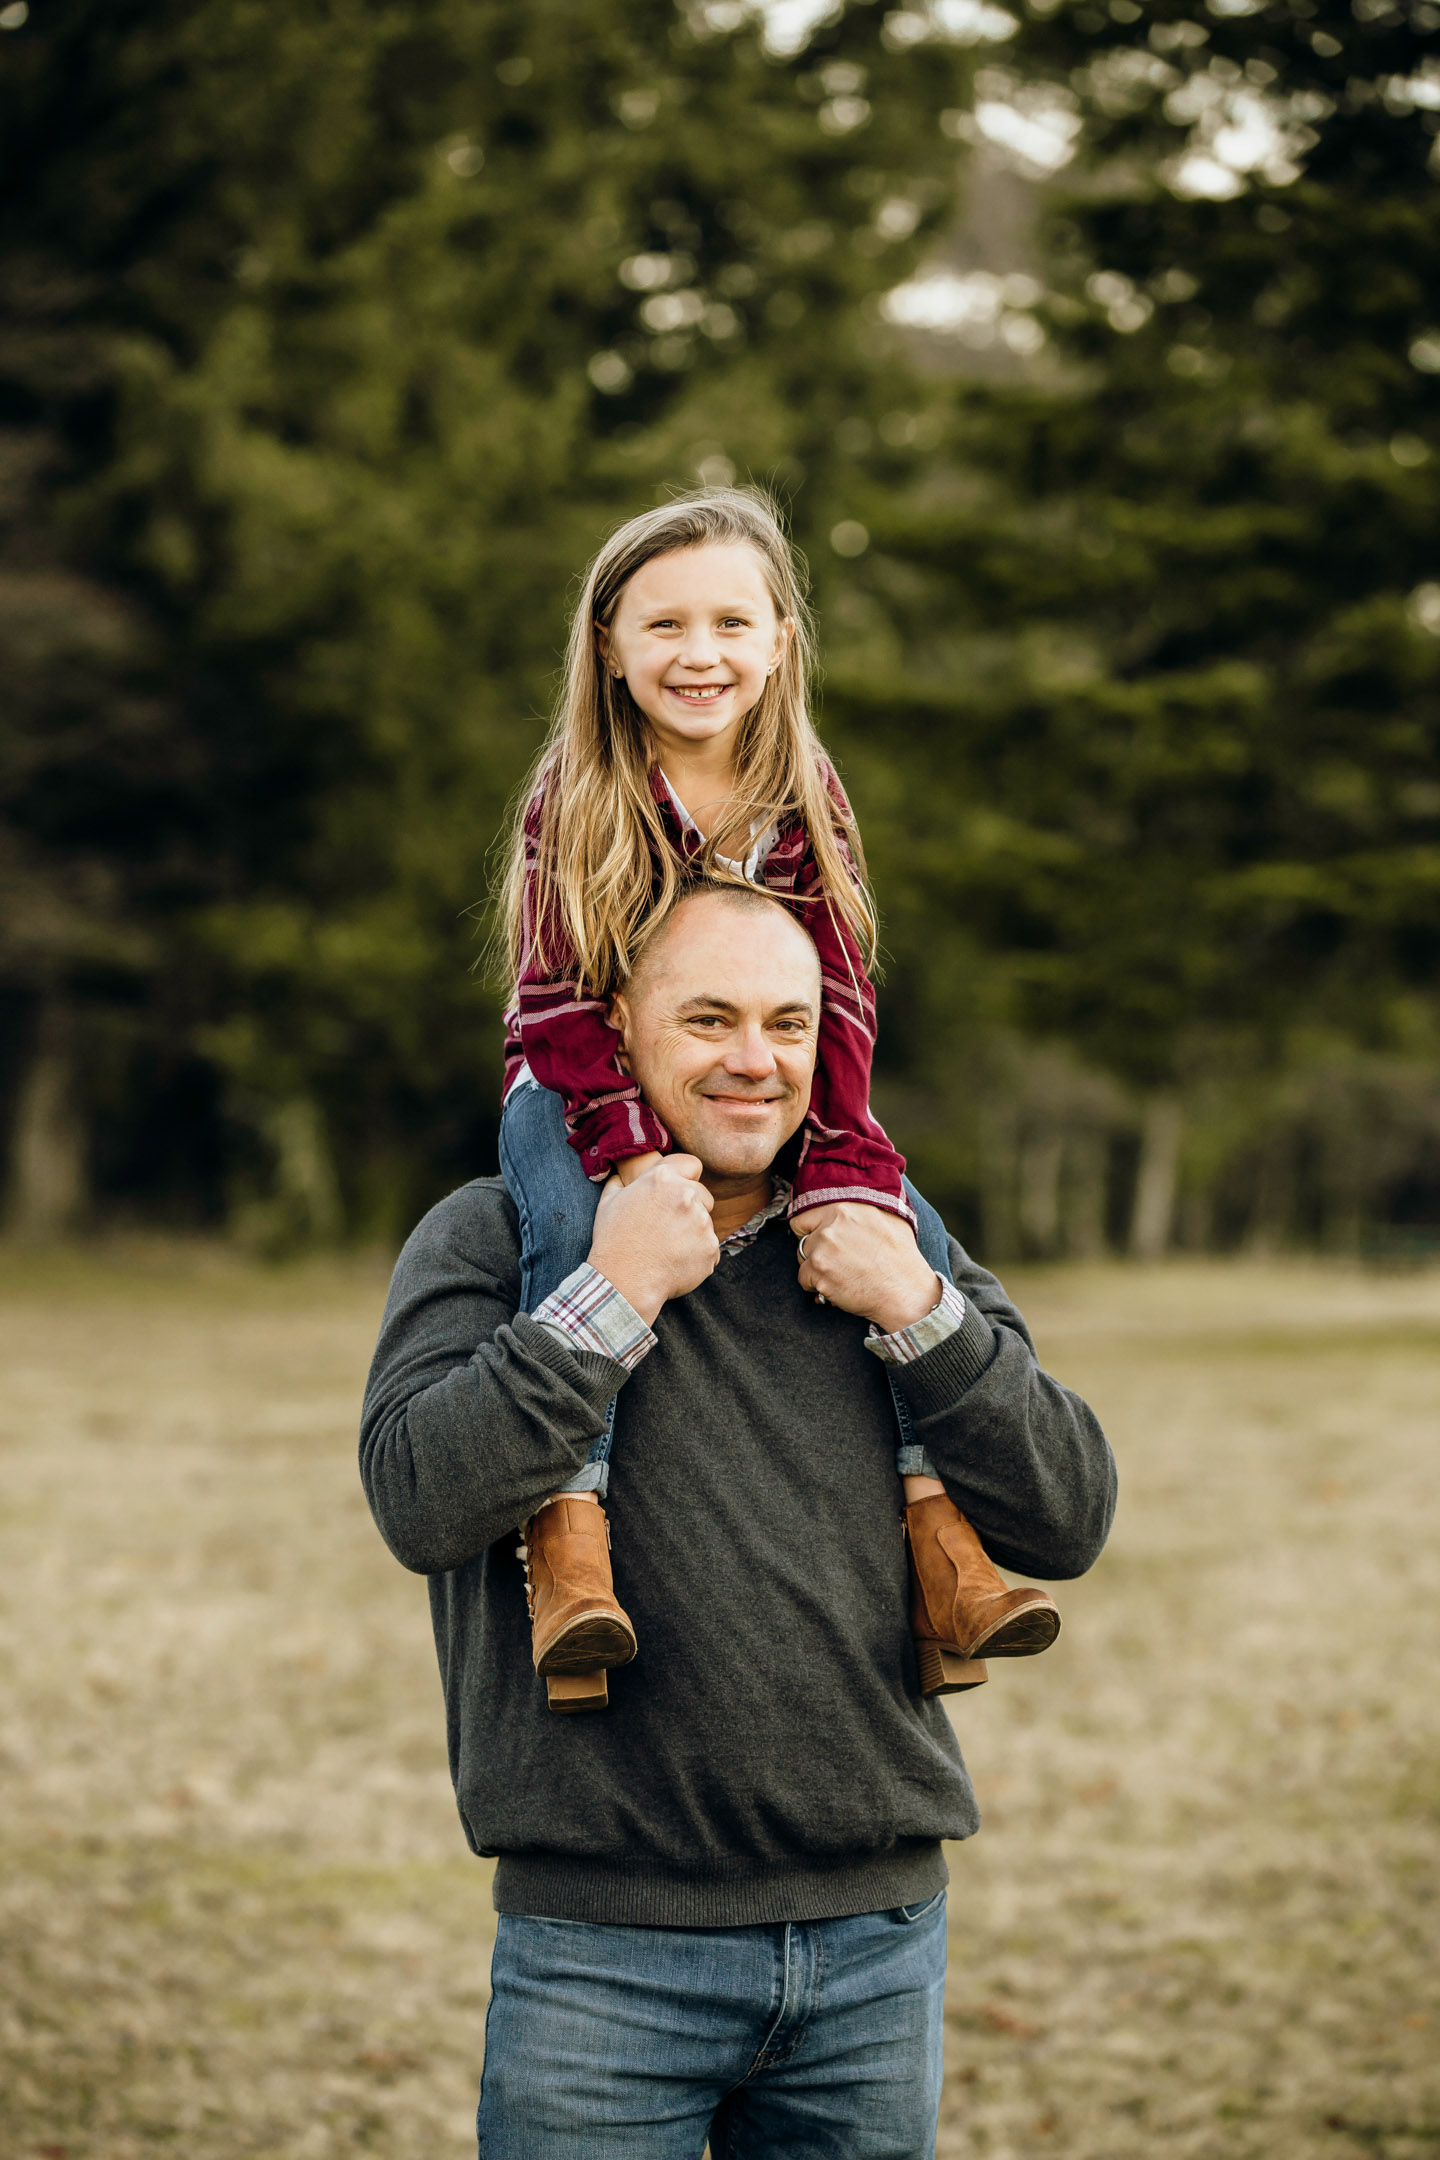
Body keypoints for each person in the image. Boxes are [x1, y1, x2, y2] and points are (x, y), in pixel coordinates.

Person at [360, 880, 1116, 2158]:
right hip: (602, 1965)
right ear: (615, 1028)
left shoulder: (879, 1246)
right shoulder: (497, 1239)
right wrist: (609, 1297)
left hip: (876, 1959)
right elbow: (420, 1500)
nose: (755, 1062)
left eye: (788, 1022)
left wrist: (921, 1310)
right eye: (708, 1020)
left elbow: (1071, 1512)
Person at [494, 486, 1059, 1707]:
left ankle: (940, 1537)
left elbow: (840, 987)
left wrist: (849, 1152)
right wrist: (633, 1157)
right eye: (664, 627)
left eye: (731, 625)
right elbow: (554, 1000)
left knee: (903, 1230)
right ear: (607, 645)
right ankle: (568, 1543)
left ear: (779, 642)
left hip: (764, 1082)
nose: (700, 655)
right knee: (558, 1234)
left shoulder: (804, 791)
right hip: (578, 1087)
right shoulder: (579, 792)